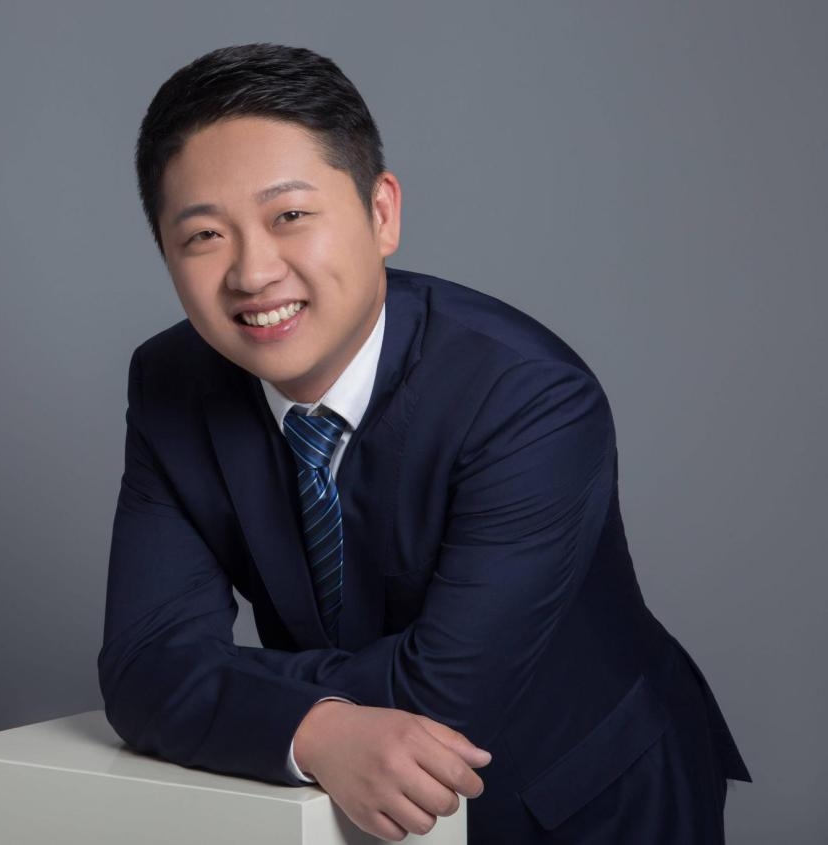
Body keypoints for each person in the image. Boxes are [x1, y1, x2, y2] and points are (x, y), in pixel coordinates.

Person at [97, 42, 750, 843]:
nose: (253, 272)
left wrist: (253, 696)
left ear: (381, 214)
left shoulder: (526, 396)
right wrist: (315, 729)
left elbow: (440, 696)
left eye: (289, 216)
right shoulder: (170, 383)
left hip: (587, 795)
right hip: (358, 800)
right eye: (203, 234)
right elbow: (139, 666)